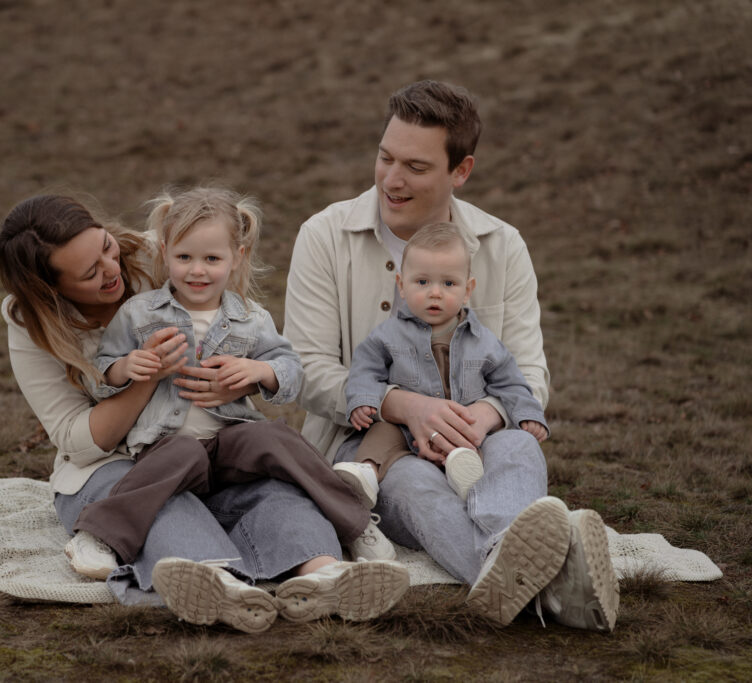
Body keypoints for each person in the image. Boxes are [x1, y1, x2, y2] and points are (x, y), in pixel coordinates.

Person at [283, 80, 619, 631]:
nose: (392, 179)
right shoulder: (325, 235)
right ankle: (550, 586)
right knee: (413, 484)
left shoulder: (502, 244)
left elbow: (528, 372)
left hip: (479, 433)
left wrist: (486, 415)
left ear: (460, 171)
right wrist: (403, 406)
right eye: (385, 157)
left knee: (518, 446)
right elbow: (307, 369)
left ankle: (508, 562)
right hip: (372, 444)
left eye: (415, 167)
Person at [0, 193, 409, 634]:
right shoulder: (94, 317)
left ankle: (328, 568)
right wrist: (144, 376)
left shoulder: (174, 250)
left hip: (225, 437)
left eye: (106, 248)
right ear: (53, 288)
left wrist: (252, 376)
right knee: (168, 502)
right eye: (90, 272)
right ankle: (216, 583)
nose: (112, 269)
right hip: (127, 458)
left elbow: (282, 362)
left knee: (280, 483)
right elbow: (81, 426)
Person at [71, 186, 394, 574]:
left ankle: (356, 525)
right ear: (165, 254)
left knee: (274, 438)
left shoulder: (250, 318)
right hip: (166, 447)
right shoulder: (139, 314)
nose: (197, 270)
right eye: (184, 257)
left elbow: (290, 369)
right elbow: (99, 373)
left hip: (231, 442)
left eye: (212, 258)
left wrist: (261, 372)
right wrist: (126, 368)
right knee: (184, 451)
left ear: (237, 258)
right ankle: (99, 534)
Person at [335, 222, 549, 504]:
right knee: (381, 434)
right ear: (401, 285)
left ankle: (467, 478)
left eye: (448, 283)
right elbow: (365, 369)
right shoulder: (387, 336)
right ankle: (367, 472)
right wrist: (362, 399)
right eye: (422, 282)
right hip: (406, 428)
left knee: (482, 447)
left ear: (467, 289)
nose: (435, 293)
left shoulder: (483, 341)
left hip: (463, 427)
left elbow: (511, 381)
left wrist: (528, 414)